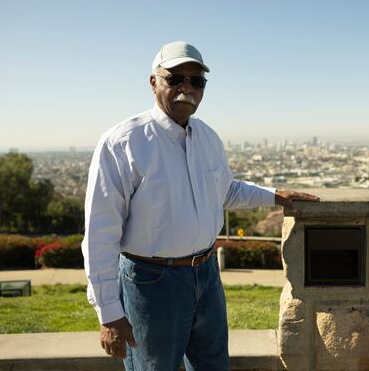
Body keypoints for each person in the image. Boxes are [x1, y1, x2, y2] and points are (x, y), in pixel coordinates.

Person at [82, 41, 318, 371]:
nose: (186, 87)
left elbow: (225, 191)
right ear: (153, 82)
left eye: (196, 81)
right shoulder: (122, 143)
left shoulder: (207, 137)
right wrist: (108, 313)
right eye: (175, 78)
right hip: (151, 283)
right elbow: (100, 233)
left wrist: (277, 196)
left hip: (206, 275)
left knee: (213, 366)